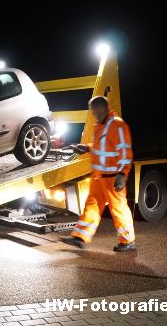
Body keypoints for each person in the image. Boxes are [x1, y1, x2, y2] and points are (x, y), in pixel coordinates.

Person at [61, 95, 137, 252]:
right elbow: (102, 148)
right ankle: (80, 237)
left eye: (94, 110)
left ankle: (128, 241)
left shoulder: (118, 126)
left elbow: (125, 152)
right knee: (92, 207)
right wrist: (86, 148)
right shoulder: (100, 125)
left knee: (118, 209)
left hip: (112, 178)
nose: (93, 113)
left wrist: (122, 175)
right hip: (98, 176)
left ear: (102, 108)